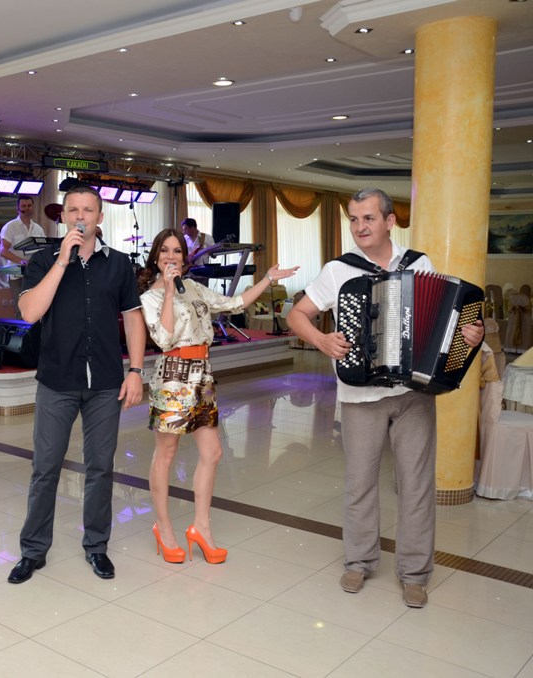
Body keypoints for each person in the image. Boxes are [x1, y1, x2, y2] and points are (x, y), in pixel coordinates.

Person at [286, 188, 484, 609]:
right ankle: (358, 561)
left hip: (413, 394)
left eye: (369, 218)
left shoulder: (419, 265)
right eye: (354, 219)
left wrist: (470, 336)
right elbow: (296, 315)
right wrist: (322, 339)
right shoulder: (339, 270)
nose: (360, 227)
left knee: (416, 485)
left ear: (390, 222)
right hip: (361, 396)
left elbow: (447, 326)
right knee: (360, 482)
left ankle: (415, 573)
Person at [7, 184, 146, 584]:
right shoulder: (42, 261)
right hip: (57, 381)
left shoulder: (119, 264)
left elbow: (133, 318)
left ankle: (97, 546)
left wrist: (136, 371)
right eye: (73, 210)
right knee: (45, 468)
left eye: (88, 210)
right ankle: (33, 551)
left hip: (105, 383)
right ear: (63, 217)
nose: (80, 216)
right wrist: (62, 262)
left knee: (100, 467)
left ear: (100, 217)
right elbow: (30, 312)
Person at [138, 229, 298, 565]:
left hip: (202, 374)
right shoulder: (151, 296)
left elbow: (234, 303)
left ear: (184, 258)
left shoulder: (194, 287)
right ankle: (163, 528)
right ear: (156, 257)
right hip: (173, 376)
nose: (171, 256)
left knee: (213, 452)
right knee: (166, 453)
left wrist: (268, 278)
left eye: (177, 251)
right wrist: (168, 292)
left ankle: (201, 528)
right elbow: (164, 339)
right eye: (165, 251)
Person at [0, 196, 46, 313]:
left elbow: (43, 250)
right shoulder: (10, 227)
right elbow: (3, 251)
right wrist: (21, 261)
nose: (27, 208)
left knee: (35, 308)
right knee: (21, 309)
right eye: (23, 206)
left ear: (33, 207)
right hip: (16, 273)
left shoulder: (38, 229)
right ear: (18, 208)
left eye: (29, 206)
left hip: (33, 273)